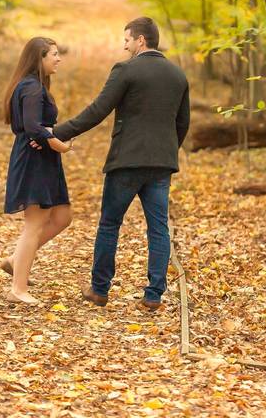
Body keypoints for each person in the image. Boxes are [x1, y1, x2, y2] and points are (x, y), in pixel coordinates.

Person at [51, 17, 189, 311]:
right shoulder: (178, 75)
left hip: (127, 161)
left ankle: (100, 289)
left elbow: (98, 110)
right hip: (161, 164)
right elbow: (183, 122)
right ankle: (153, 295)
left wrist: (58, 132)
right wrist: (166, 151)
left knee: (110, 225)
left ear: (141, 40)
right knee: (159, 229)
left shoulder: (126, 70)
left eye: (127, 39)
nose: (123, 45)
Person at [0, 37, 73, 304]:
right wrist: (59, 144)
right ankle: (18, 289)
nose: (58, 58)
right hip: (34, 160)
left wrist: (50, 135)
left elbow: (37, 127)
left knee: (63, 216)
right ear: (39, 58)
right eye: (53, 54)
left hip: (43, 158)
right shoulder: (31, 87)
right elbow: (32, 126)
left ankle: (15, 260)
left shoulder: (35, 85)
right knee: (35, 223)